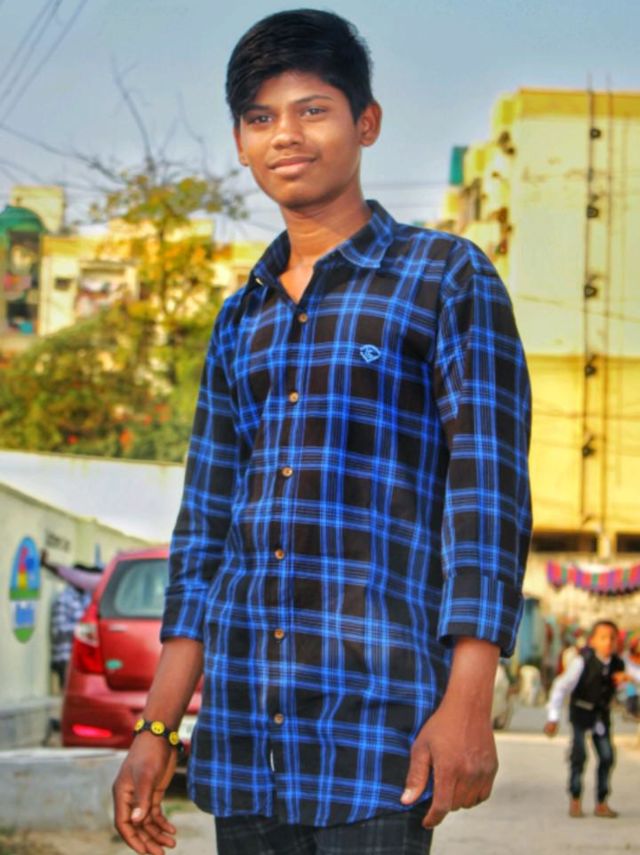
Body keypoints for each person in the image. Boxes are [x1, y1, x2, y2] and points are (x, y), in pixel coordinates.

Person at [112, 10, 532, 855]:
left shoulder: (444, 278)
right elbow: (205, 535)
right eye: (260, 117)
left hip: (378, 736)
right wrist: (156, 730)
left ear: (365, 122)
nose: (286, 136)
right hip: (245, 738)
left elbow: (486, 499)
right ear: (240, 143)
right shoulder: (240, 320)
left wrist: (469, 701)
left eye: (313, 110)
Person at [544, 619, 630, 819]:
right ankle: (575, 799)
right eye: (603, 638)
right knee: (579, 755)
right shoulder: (582, 662)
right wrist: (553, 717)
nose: (608, 642)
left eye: (612, 638)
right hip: (581, 713)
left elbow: (627, 685)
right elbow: (560, 687)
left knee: (607, 756)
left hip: (601, 716)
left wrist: (625, 683)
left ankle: (601, 802)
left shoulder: (618, 664)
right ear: (593, 641)